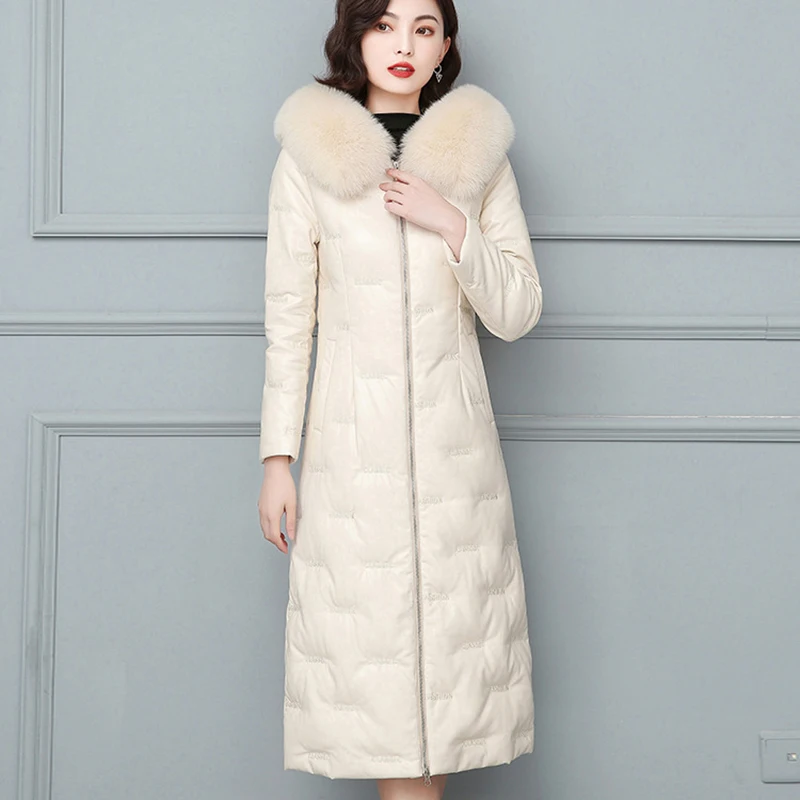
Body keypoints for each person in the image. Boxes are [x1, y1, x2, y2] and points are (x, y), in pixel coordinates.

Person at [257, 1, 543, 797]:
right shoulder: (308, 158)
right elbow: (289, 320)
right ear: (355, 36)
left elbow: (519, 311)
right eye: (384, 25)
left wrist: (450, 222)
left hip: (457, 465)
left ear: (446, 44)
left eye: (423, 28)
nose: (404, 44)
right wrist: (278, 459)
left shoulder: (479, 157)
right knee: (379, 692)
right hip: (351, 462)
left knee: (446, 689)